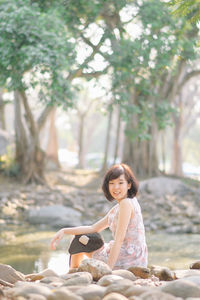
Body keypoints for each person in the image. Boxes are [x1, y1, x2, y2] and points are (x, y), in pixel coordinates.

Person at [50, 163, 148, 270]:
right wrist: (64, 230)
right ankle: (74, 271)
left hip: (128, 259)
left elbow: (119, 240)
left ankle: (73, 271)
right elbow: (93, 228)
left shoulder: (126, 204)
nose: (116, 187)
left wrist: (108, 270)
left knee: (79, 239)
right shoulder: (123, 205)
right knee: (81, 236)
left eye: (120, 183)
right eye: (112, 183)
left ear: (129, 185)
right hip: (134, 257)